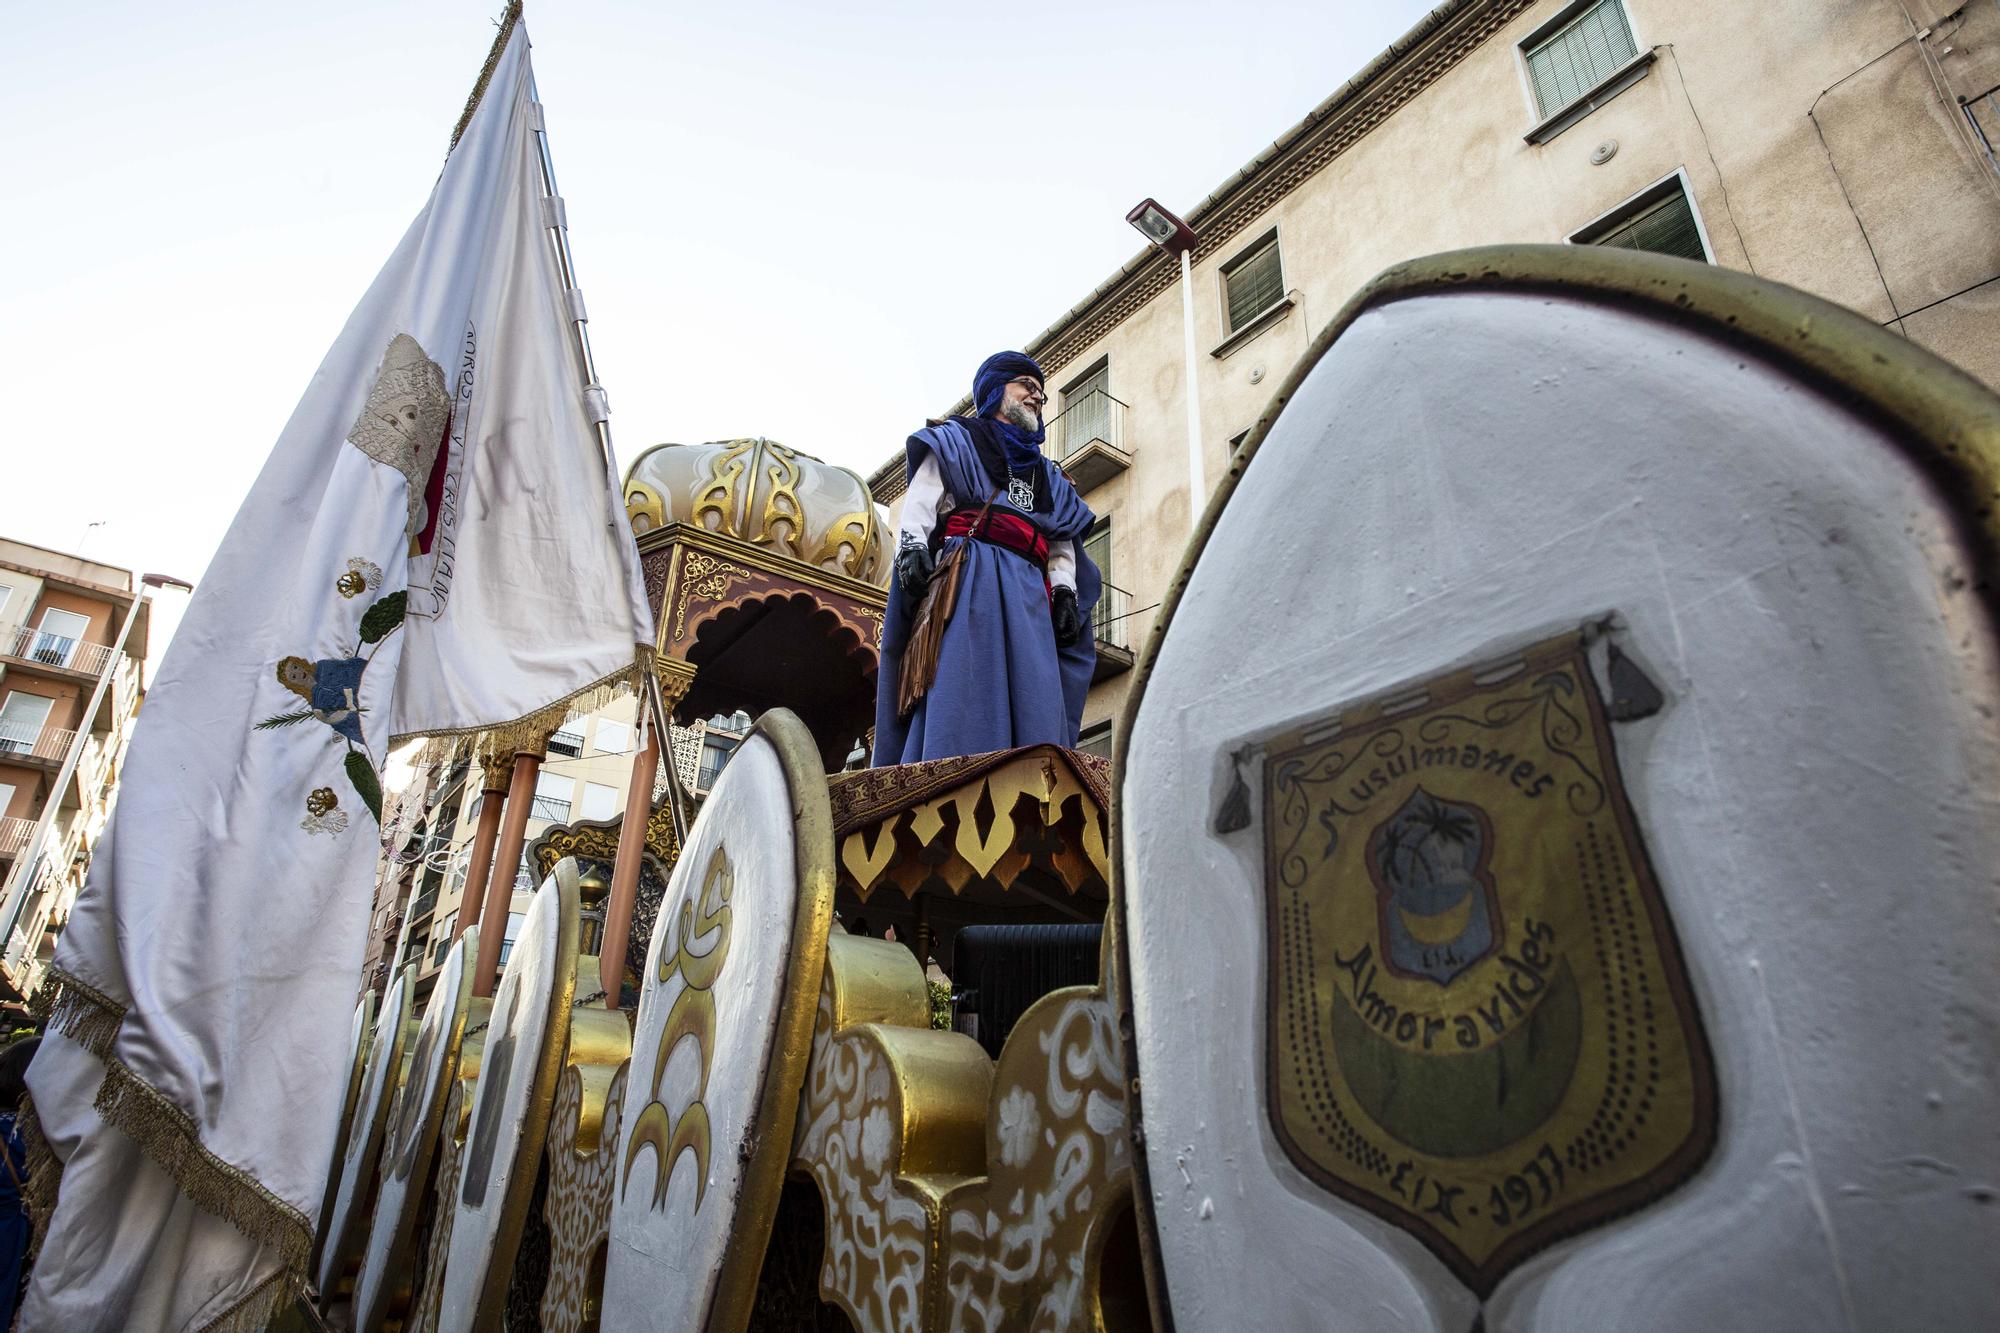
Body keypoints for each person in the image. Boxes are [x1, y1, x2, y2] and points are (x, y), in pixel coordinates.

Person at [873, 351, 1099, 765]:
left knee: (1037, 691)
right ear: (996, 391)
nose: (1037, 397)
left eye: (1041, 393)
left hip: (1031, 592)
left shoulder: (1051, 475)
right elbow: (923, 497)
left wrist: (1064, 591)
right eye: (1026, 387)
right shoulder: (955, 439)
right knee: (965, 682)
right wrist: (913, 547)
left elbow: (1062, 538)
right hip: (970, 576)